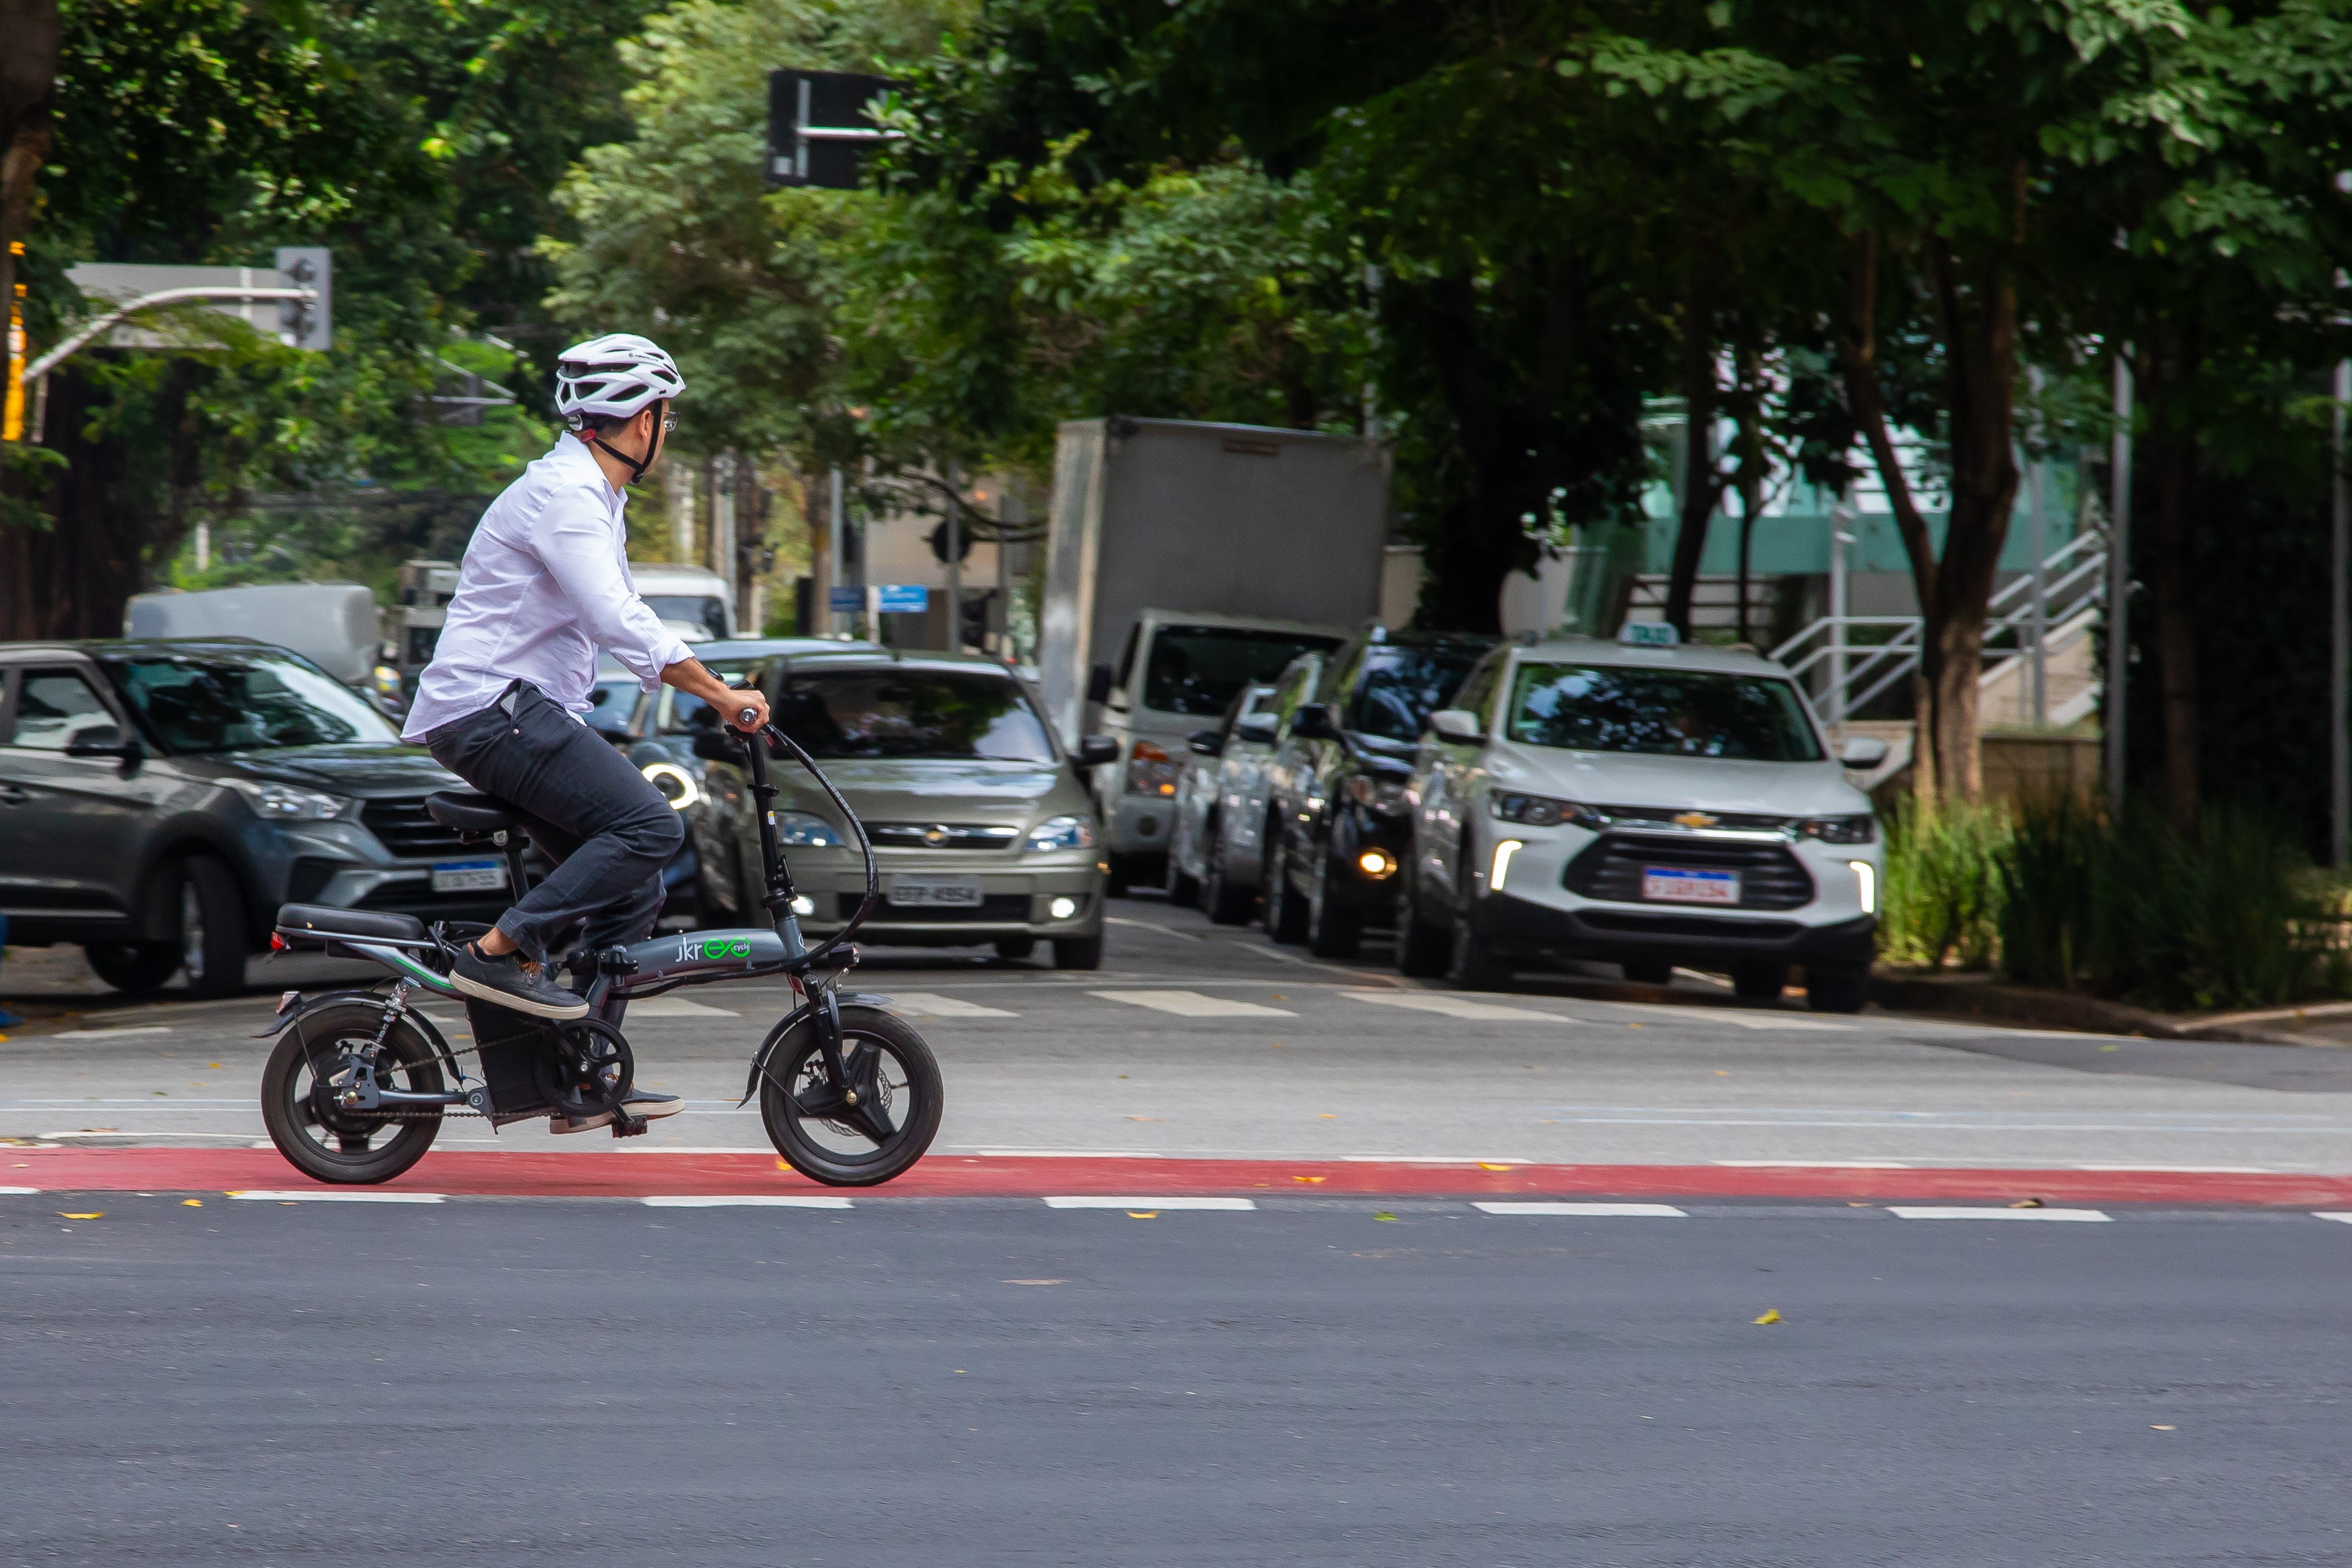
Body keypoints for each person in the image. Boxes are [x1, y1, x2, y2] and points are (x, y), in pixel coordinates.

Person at [400, 334, 770, 1110]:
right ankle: (497, 951)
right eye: (666, 418)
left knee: (630, 895)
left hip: (512, 713)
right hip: (488, 710)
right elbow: (615, 618)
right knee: (651, 829)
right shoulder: (566, 497)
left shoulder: (591, 496)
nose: (666, 432)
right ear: (642, 420)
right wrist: (718, 691)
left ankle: (573, 1075)